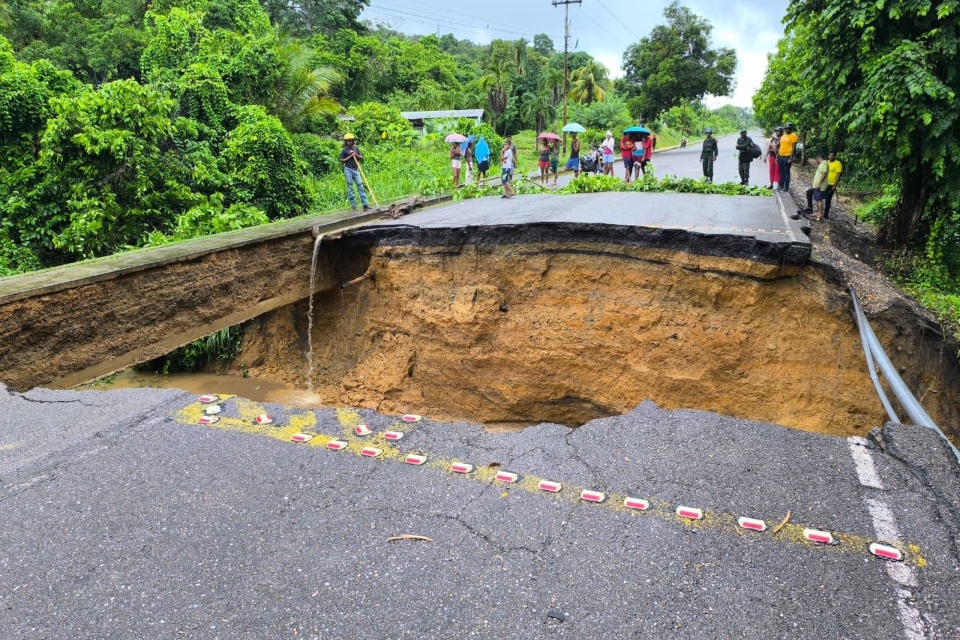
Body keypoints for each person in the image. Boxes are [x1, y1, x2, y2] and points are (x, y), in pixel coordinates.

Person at [340, 133, 370, 211]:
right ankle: (353, 205)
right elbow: (342, 160)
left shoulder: (356, 148)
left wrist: (355, 154)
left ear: (353, 141)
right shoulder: (344, 150)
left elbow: (360, 157)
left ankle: (365, 204)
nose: (349, 142)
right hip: (348, 169)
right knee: (350, 187)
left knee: (360, 186)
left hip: (355, 169)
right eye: (348, 141)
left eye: (351, 140)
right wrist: (350, 156)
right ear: (345, 141)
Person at [805, 153, 829, 220]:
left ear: (818, 158)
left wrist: (818, 184)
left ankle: (820, 215)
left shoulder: (824, 164)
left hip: (820, 186)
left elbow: (824, 174)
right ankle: (818, 213)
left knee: (819, 200)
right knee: (817, 199)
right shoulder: (823, 164)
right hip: (818, 186)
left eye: (816, 159)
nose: (816, 161)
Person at [777, 122, 799, 191]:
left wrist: (791, 158)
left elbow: (793, 148)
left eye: (788, 129)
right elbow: (780, 146)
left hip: (787, 156)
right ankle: (781, 185)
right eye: (786, 129)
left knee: (786, 173)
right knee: (781, 172)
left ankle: (786, 187)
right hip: (781, 156)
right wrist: (777, 156)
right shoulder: (783, 136)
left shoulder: (793, 136)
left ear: (791, 129)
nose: (787, 130)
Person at [824, 151, 843, 219]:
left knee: (828, 199)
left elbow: (838, 175)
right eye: (830, 155)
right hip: (824, 183)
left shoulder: (838, 163)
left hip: (831, 184)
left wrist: (835, 185)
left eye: (832, 155)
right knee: (820, 197)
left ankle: (825, 214)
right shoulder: (826, 162)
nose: (831, 157)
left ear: (835, 156)